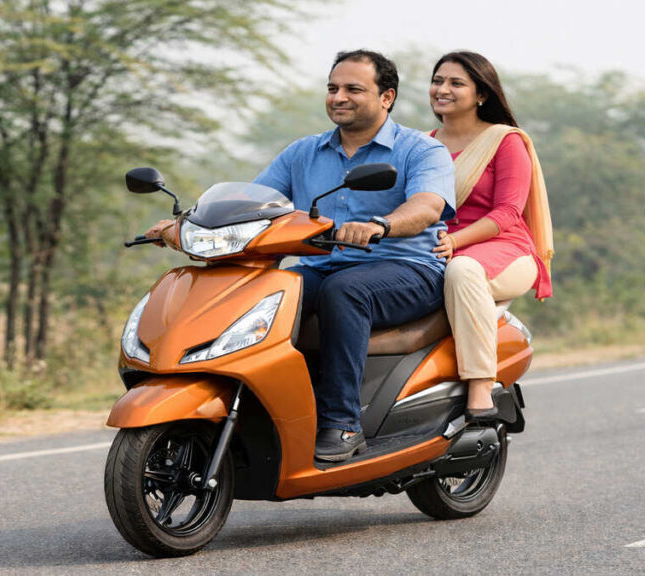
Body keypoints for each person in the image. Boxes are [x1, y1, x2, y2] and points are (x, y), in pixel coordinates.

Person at [148, 50, 456, 462]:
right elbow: (249, 202)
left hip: (409, 269)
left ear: (387, 97)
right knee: (263, 291)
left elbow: (427, 207)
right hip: (322, 267)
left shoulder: (420, 150)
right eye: (332, 88)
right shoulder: (303, 153)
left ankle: (343, 425)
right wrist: (184, 227)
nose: (338, 97)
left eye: (353, 89)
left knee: (345, 292)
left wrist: (379, 225)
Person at [427, 51, 553, 421]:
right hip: (435, 248)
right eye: (437, 81)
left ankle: (481, 387)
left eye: (455, 83)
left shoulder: (505, 141)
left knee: (463, 271)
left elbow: (508, 213)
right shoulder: (424, 144)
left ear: (482, 94)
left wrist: (456, 242)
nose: (442, 89)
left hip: (503, 250)